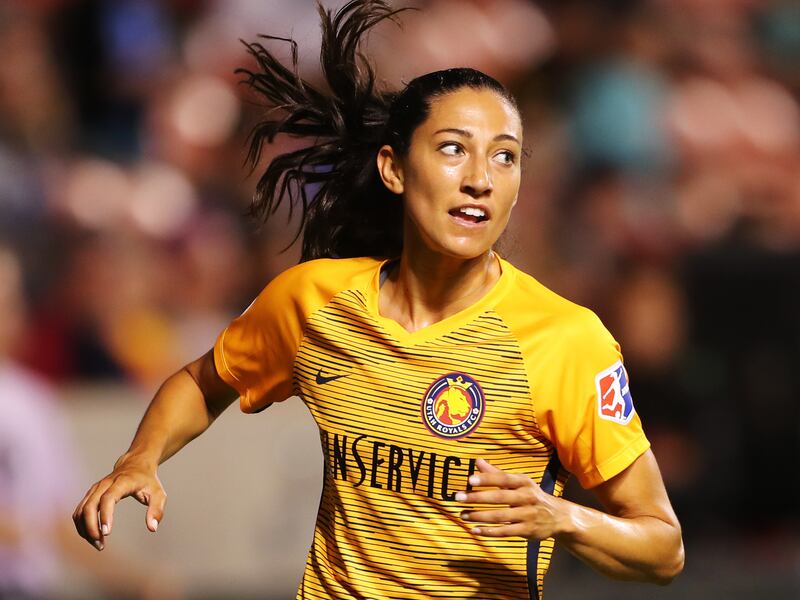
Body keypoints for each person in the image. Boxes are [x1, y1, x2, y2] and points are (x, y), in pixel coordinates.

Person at [73, 2, 684, 598]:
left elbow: (662, 547)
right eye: (453, 148)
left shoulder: (565, 339)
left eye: (505, 156)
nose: (481, 177)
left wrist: (562, 517)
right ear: (393, 169)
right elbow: (203, 381)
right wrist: (140, 458)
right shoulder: (314, 300)